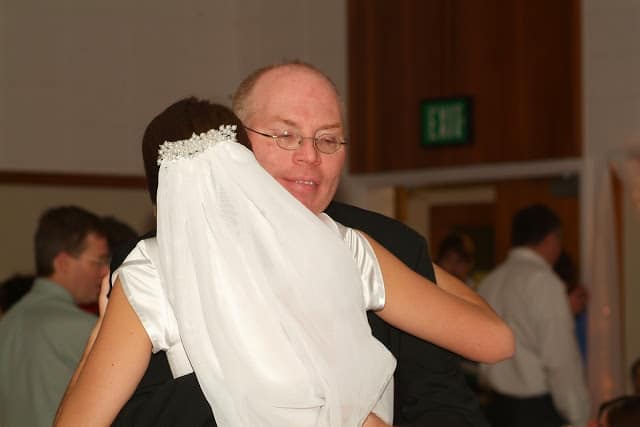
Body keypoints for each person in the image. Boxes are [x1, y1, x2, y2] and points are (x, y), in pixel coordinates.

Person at [60, 64, 506, 425]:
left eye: (327, 139)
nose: (308, 154)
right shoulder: (348, 248)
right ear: (243, 153)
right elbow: (494, 341)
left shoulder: (152, 273)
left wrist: (97, 340)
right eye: (287, 135)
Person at [477, 204, 590, 427]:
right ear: (551, 239)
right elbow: (560, 360)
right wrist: (580, 416)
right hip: (536, 412)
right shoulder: (544, 282)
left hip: (495, 410)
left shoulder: (490, 282)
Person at [0, 206, 109, 427]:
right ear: (63, 263)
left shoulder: (8, 322)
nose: (105, 272)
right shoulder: (86, 329)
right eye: (98, 262)